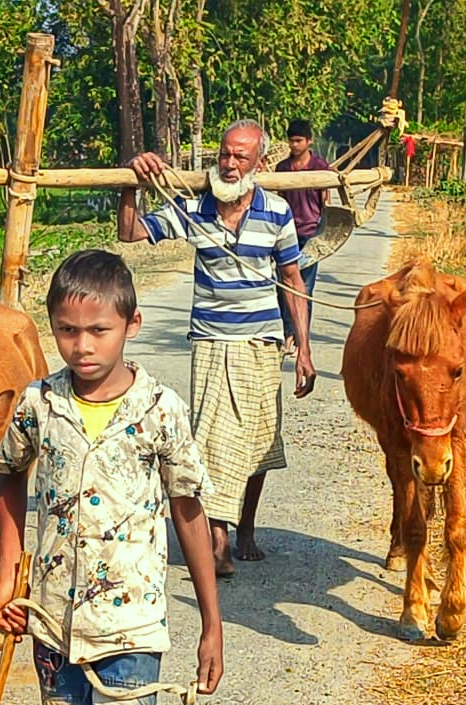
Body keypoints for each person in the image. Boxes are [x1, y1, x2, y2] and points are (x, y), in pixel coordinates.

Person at [0, 249, 224, 705]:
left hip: (130, 629)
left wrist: (211, 623)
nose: (83, 346)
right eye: (68, 330)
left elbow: (188, 512)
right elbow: (9, 478)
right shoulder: (38, 403)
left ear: (131, 324)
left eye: (99, 330)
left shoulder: (160, 409)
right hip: (53, 623)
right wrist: (6, 580)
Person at [116, 119, 317, 578]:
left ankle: (245, 527)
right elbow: (130, 234)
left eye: (240, 157)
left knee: (259, 439)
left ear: (259, 163)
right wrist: (133, 180)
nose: (228, 164)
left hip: (262, 342)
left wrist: (303, 349)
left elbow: (292, 280)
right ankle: (218, 538)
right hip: (210, 340)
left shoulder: (277, 212)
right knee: (211, 438)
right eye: (224, 155)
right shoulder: (194, 209)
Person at [274, 119, 331, 358]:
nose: (295, 145)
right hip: (285, 234)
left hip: (310, 234)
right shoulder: (282, 169)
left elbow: (325, 201)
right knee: (283, 286)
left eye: (299, 140)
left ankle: (301, 339)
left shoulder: (320, 167)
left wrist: (324, 230)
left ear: (309, 141)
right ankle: (288, 333)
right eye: (292, 140)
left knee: (304, 288)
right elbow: (278, 198)